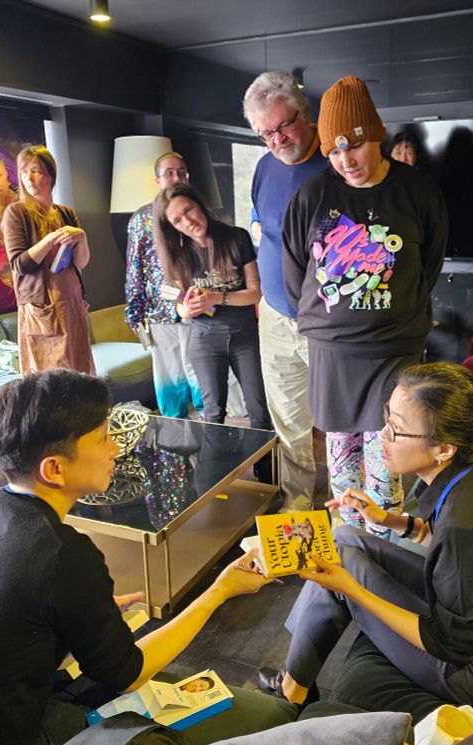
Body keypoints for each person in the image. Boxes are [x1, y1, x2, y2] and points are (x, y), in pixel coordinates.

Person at [0, 369, 279, 745]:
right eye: (104, 438)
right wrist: (219, 591)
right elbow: (128, 673)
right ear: (53, 468)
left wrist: (78, 619)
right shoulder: (63, 553)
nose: (116, 448)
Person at [257, 363, 473, 711]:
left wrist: (352, 592)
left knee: (341, 567)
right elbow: (450, 549)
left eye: (397, 430)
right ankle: (294, 683)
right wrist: (386, 519)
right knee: (345, 537)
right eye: (387, 419)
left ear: (443, 448)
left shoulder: (470, 525)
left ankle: (291, 694)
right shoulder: (471, 465)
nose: (383, 436)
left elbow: (452, 644)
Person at [283, 76, 448, 539]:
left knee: (386, 453)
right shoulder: (312, 195)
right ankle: (352, 544)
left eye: (354, 146)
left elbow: (428, 265)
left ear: (375, 135)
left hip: (394, 349)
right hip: (333, 352)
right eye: (334, 152)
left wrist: (391, 308)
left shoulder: (418, 191)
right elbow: (296, 273)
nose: (346, 161)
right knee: (340, 456)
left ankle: (386, 542)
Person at [243, 70, 329, 511]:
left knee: (337, 424)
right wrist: (260, 296)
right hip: (276, 317)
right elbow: (263, 232)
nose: (277, 139)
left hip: (328, 325)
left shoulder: (339, 165)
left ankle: (342, 509)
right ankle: (298, 508)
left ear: (306, 110)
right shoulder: (263, 168)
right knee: (290, 424)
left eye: (284, 125)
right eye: (265, 133)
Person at [153, 183, 271, 433]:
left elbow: (255, 293)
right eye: (177, 220)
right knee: (213, 412)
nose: (188, 221)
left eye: (189, 210)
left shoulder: (236, 237)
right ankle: (216, 470)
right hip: (205, 339)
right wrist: (189, 307)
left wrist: (217, 298)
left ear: (200, 205)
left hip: (245, 336)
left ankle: (267, 472)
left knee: (259, 410)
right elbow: (181, 311)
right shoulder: (177, 255)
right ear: (172, 227)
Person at [123, 152, 205, 418]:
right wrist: (134, 313)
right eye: (170, 173)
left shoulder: (198, 213)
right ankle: (175, 438)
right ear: (158, 180)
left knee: (202, 373)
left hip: (197, 307)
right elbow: (134, 268)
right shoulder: (142, 218)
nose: (176, 177)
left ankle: (212, 427)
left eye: (181, 172)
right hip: (159, 312)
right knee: (170, 378)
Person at [1, 145, 94, 375]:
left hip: (71, 301)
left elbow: (80, 263)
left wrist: (81, 237)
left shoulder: (65, 213)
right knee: (53, 377)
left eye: (36, 171)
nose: (29, 178)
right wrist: (51, 238)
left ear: (50, 175)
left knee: (81, 371)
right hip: (42, 306)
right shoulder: (16, 213)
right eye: (24, 172)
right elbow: (19, 264)